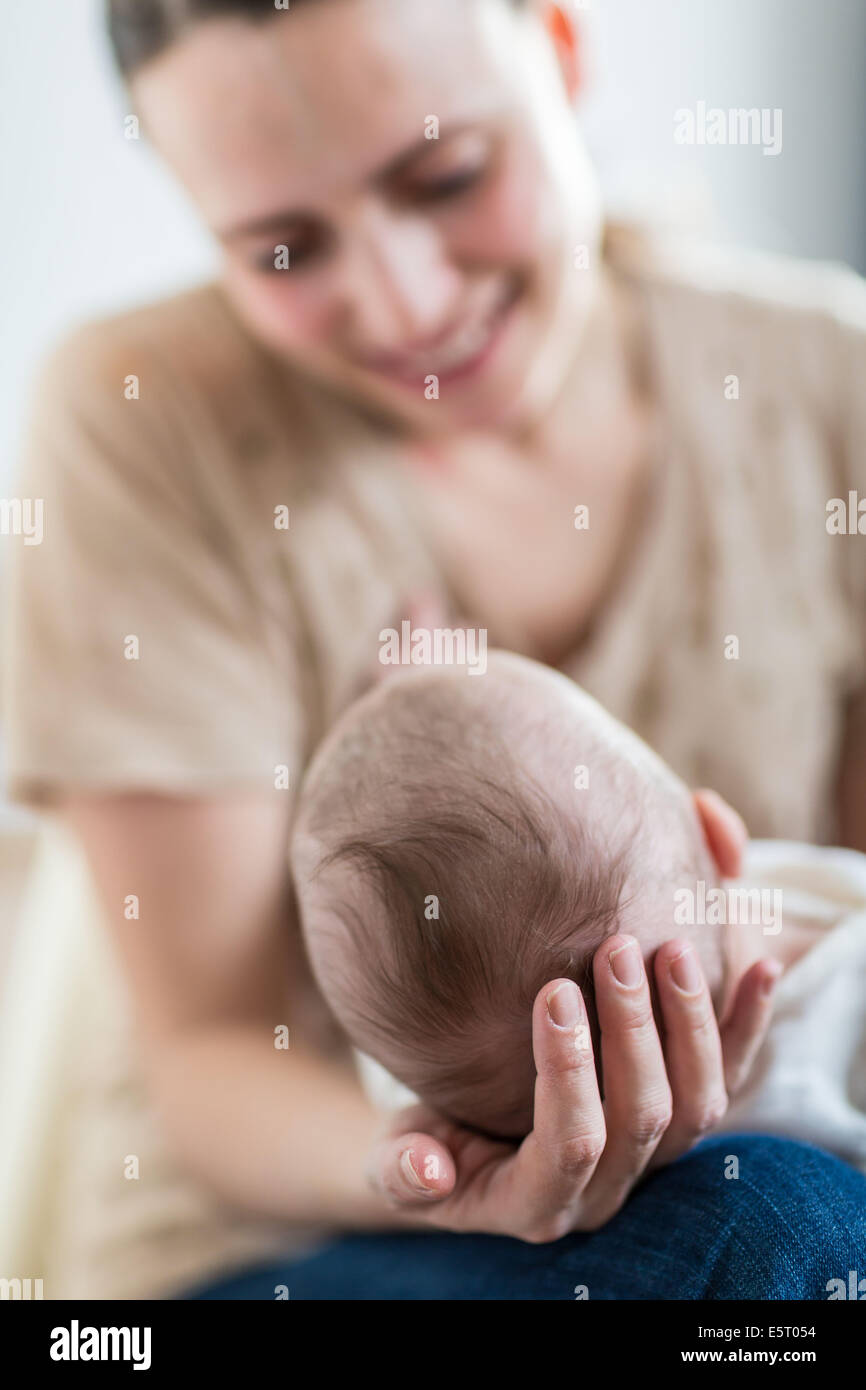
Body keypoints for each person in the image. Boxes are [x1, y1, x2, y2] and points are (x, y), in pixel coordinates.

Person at [3, 0, 865, 1298]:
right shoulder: (143, 421)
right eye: (285, 249)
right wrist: (445, 1177)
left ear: (562, 49)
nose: (405, 302)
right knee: (780, 1227)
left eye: (447, 174)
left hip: (768, 1158)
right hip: (286, 1242)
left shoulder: (819, 381)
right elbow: (211, 1045)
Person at [291, 650, 866, 1182]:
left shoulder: (437, 1101)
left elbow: (421, 907)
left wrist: (409, 735)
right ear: (720, 833)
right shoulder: (845, 992)